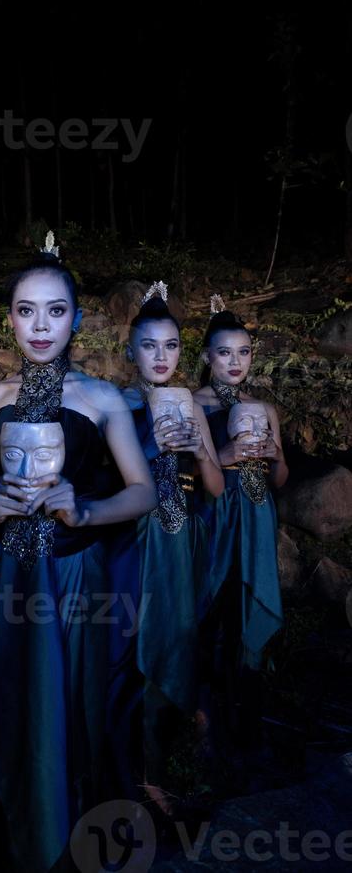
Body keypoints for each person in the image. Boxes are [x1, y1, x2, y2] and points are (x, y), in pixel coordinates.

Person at [0, 237, 156, 873]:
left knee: (79, 703)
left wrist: (86, 510)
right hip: (8, 577)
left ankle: (79, 831)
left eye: (56, 311)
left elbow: (143, 491)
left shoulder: (103, 399)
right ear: (8, 318)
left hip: (78, 577)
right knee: (10, 701)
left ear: (77, 319)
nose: (41, 326)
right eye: (26, 311)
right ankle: (18, 823)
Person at [120, 281, 223, 820]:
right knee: (134, 647)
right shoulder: (114, 403)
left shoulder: (190, 404)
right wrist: (154, 443)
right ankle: (135, 772)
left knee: (179, 639)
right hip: (133, 543)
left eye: (172, 346)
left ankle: (161, 767)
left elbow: (215, 487)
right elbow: (105, 476)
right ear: (130, 350)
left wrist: (198, 448)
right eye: (149, 345)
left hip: (180, 539)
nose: (161, 357)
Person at [193, 296, 287, 749]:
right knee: (212, 598)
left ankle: (247, 705)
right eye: (224, 352)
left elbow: (282, 476)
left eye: (244, 352)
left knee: (250, 599)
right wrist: (221, 456)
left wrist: (272, 456)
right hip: (216, 510)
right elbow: (175, 469)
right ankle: (203, 710)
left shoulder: (264, 407)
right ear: (208, 356)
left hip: (257, 511)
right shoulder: (193, 403)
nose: (235, 362)